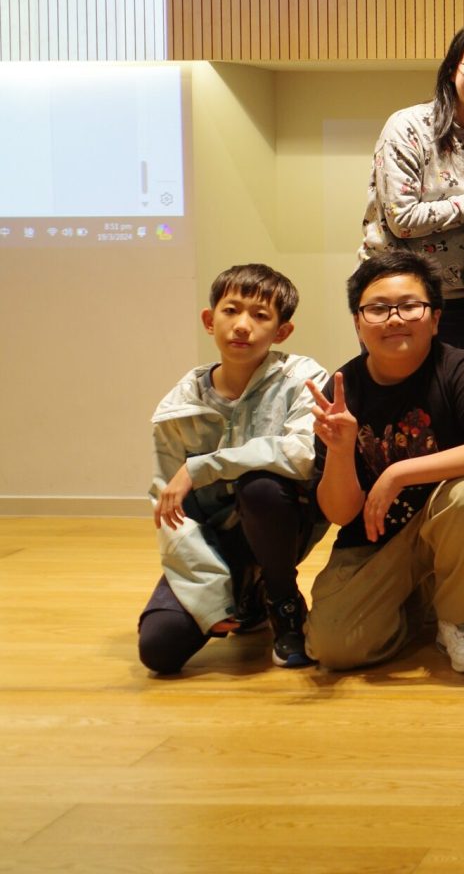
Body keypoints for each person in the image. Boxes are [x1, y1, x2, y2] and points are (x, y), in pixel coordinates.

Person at [303, 251, 464, 673]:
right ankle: (424, 598)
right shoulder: (344, 389)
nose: (395, 319)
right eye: (378, 309)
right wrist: (341, 451)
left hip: (448, 523)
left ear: (435, 319)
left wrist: (396, 473)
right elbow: (339, 512)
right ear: (358, 322)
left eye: (409, 306)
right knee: (334, 649)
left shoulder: (456, 368)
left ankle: (461, 620)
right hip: (376, 541)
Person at [139, 264, 329, 673]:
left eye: (260, 315)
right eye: (231, 311)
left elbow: (303, 454)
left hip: (279, 523)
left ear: (282, 331)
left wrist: (203, 467)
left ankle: (282, 600)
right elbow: (168, 509)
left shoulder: (303, 377)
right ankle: (247, 598)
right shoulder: (179, 405)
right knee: (159, 649)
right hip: (211, 542)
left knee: (260, 486)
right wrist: (208, 595)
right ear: (210, 320)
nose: (242, 325)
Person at [361, 22, 464, 351]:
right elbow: (402, 220)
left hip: (456, 296)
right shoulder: (408, 127)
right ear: (453, 70)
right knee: (393, 381)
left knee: (445, 384)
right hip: (394, 288)